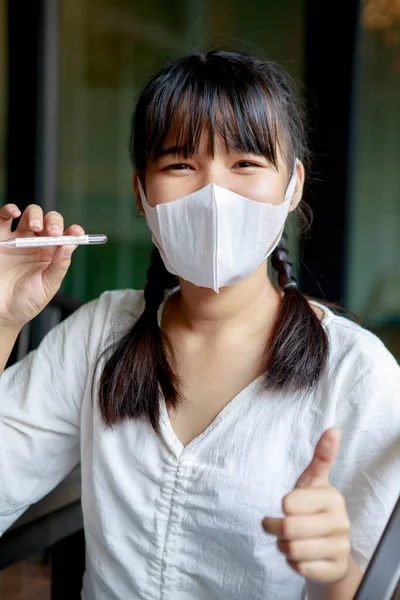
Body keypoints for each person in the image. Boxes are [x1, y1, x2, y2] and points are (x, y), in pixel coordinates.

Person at [0, 49, 399, 600]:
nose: (215, 194)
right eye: (181, 164)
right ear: (142, 193)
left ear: (294, 186)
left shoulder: (360, 375)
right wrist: (2, 320)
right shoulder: (99, 336)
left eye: (246, 163)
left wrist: (334, 574)